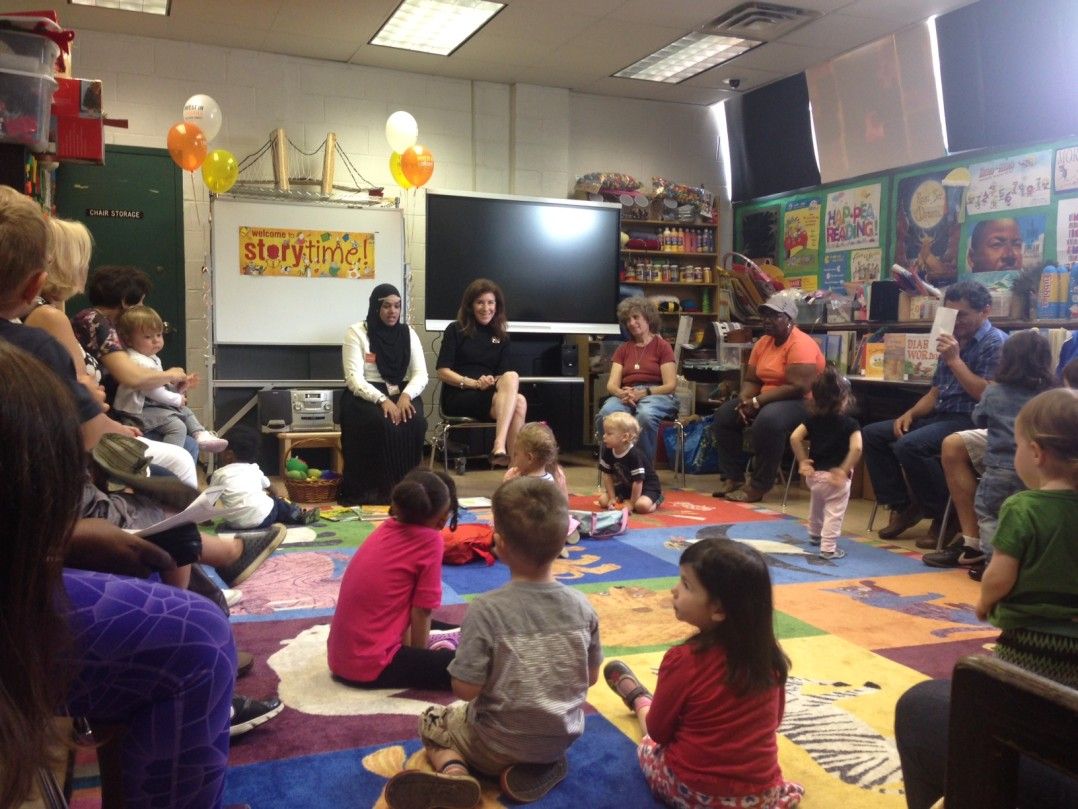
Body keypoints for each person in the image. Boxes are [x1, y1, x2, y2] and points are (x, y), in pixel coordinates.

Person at [0, 341, 235, 809]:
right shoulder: (44, 333)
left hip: (23, 559)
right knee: (198, 639)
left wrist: (63, 540)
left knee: (161, 585)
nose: (92, 386)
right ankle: (216, 554)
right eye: (80, 376)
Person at [895, 388, 1078, 809]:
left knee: (1006, 699)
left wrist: (983, 603)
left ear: (1035, 453)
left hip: (1030, 646)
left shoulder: (1024, 508)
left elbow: (999, 573)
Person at [384, 477, 601, 807]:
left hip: (492, 747)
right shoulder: (584, 607)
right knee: (530, 728)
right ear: (562, 545)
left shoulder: (486, 609)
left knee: (433, 720)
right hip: (560, 738)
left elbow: (464, 690)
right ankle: (543, 766)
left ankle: (456, 774)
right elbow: (591, 677)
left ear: (498, 543)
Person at [602, 538, 804, 809]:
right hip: (759, 797)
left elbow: (660, 732)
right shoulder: (769, 659)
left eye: (686, 584)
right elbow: (774, 721)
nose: (674, 590)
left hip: (693, 792)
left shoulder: (684, 660)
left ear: (719, 609)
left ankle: (639, 699)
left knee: (648, 741)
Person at [864, 280, 1006, 543]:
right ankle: (904, 505)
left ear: (985, 311)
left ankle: (945, 514)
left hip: (971, 420)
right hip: (941, 415)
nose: (956, 322)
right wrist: (911, 413)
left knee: (910, 446)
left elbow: (987, 394)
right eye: (951, 315)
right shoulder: (953, 339)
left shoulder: (994, 342)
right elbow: (936, 391)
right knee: (873, 434)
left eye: (962, 315)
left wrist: (954, 359)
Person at [923, 330, 1055, 575]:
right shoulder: (1050, 394)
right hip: (1034, 466)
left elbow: (978, 417)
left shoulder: (995, 392)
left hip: (997, 470)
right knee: (1028, 513)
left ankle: (991, 562)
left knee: (990, 515)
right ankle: (1023, 562)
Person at [328, 469, 461, 691]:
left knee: (452, 628)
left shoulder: (386, 528)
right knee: (472, 667)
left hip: (342, 658)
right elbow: (421, 611)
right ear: (441, 519)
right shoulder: (430, 541)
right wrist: (421, 660)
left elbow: (408, 608)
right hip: (371, 667)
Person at [71, 264, 201, 460]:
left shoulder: (115, 328)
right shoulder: (94, 320)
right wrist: (170, 374)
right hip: (108, 415)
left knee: (188, 440)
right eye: (140, 303)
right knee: (184, 444)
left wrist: (173, 386)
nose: (142, 309)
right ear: (125, 301)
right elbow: (133, 376)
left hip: (119, 410)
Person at [712, 290, 825, 503]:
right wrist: (745, 401)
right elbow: (753, 380)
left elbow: (798, 386)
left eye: (774, 316)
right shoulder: (763, 342)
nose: (767, 320)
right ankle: (733, 477)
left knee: (768, 421)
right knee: (725, 415)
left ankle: (759, 485)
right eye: (765, 316)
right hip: (768, 399)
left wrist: (757, 402)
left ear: (789, 319)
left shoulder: (801, 343)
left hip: (803, 402)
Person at [339, 283, 429, 505]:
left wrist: (406, 396)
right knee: (378, 422)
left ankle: (407, 489)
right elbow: (354, 378)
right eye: (387, 306)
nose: (393, 312)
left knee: (415, 421)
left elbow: (421, 373)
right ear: (375, 307)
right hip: (367, 392)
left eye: (397, 306)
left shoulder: (408, 333)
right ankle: (374, 492)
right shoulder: (357, 332)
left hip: (402, 390)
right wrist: (382, 400)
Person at [435, 279, 526, 467]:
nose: (486, 308)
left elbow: (502, 376)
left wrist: (490, 380)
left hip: (489, 394)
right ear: (470, 306)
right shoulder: (455, 330)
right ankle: (513, 468)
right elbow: (442, 371)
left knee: (513, 381)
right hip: (460, 394)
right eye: (480, 302)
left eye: (490, 302)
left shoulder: (501, 336)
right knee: (519, 402)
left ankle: (502, 451)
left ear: (497, 306)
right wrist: (474, 383)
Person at [114, 304, 227, 452]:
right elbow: (152, 391)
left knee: (185, 410)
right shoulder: (137, 360)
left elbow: (160, 385)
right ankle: (172, 459)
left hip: (151, 405)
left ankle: (200, 434)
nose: (156, 341)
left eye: (159, 335)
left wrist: (179, 388)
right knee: (177, 426)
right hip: (137, 411)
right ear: (128, 340)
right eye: (148, 337)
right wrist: (176, 399)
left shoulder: (151, 358)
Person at [593, 296, 678, 464]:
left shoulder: (662, 346)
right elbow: (611, 384)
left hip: (656, 394)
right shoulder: (623, 349)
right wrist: (622, 393)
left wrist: (644, 392)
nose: (631, 323)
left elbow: (670, 385)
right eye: (628, 320)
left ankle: (641, 469)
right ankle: (614, 465)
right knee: (606, 414)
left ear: (648, 317)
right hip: (627, 393)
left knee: (645, 416)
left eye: (636, 317)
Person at [789, 368, 862, 560]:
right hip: (835, 479)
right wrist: (843, 469)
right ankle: (828, 548)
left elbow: (795, 437)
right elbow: (857, 449)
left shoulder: (812, 420)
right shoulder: (851, 424)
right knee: (834, 513)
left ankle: (814, 534)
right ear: (844, 399)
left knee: (817, 503)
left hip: (814, 477)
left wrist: (803, 461)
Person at [209, 425, 319, 529]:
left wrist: (206, 520)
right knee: (278, 504)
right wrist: (275, 497)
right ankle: (297, 515)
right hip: (264, 520)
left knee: (269, 505)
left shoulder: (218, 474)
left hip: (234, 523)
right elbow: (273, 489)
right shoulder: (254, 469)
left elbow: (209, 502)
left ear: (229, 454)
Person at [599, 411, 663, 514]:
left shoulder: (635, 455)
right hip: (627, 486)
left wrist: (632, 504)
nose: (604, 436)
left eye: (609, 433)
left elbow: (638, 482)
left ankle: (657, 500)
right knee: (603, 501)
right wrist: (612, 498)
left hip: (647, 487)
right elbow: (607, 475)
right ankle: (627, 499)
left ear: (624, 437)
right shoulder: (609, 451)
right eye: (605, 432)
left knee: (641, 507)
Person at [502, 421, 569, 496]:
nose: (514, 459)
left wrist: (509, 486)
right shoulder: (554, 477)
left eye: (516, 455)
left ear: (529, 458)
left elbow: (504, 504)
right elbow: (563, 505)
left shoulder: (557, 475)